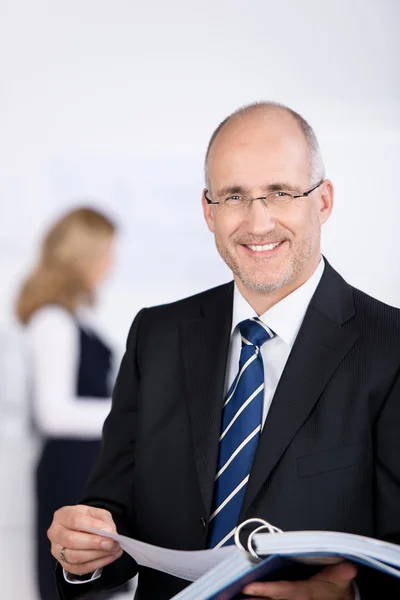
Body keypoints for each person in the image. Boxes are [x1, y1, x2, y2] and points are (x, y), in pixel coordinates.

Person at [48, 104, 400, 600]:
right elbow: (113, 519)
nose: (258, 223)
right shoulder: (158, 335)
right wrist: (82, 552)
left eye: (280, 192)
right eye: (234, 196)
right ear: (208, 211)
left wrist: (349, 596)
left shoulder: (390, 346)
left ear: (322, 201)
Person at [15, 207, 129, 600]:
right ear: (85, 255)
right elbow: (54, 413)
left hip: (85, 469)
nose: (112, 264)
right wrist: (131, 416)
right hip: (70, 473)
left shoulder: (77, 317)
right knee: (75, 581)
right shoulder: (53, 320)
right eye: (107, 253)